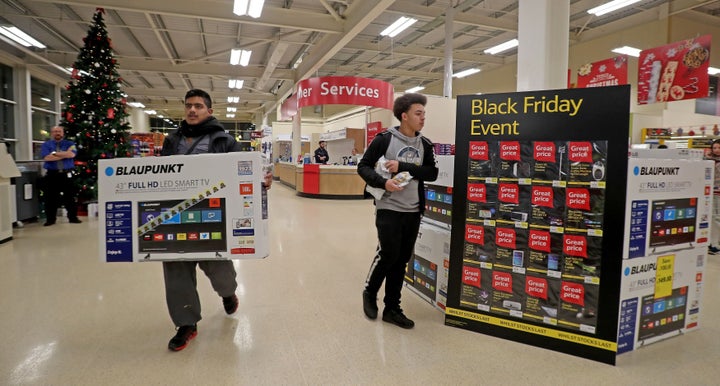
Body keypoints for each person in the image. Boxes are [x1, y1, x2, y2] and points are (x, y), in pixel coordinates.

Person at [160, 89, 271, 352]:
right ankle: (186, 324)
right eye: (188, 105)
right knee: (176, 273)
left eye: (198, 106)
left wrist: (259, 181)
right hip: (175, 217)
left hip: (213, 217)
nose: (192, 110)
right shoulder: (171, 141)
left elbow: (243, 173)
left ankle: (228, 292)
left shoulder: (224, 140)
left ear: (209, 111)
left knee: (221, 272)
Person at [357, 93, 438, 329]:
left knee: (402, 260)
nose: (423, 118)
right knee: (388, 255)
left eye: (424, 113)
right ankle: (370, 292)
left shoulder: (425, 144)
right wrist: (384, 183)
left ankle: (392, 308)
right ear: (404, 116)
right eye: (418, 113)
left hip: (413, 210)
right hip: (388, 207)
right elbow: (362, 167)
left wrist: (403, 166)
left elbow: (431, 173)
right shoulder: (384, 139)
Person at [40, 125, 81, 226]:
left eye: (59, 131)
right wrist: (64, 154)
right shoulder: (46, 144)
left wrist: (54, 154)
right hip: (52, 174)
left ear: (63, 133)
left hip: (67, 174)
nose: (57, 133)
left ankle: (73, 217)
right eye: (55, 131)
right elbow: (47, 158)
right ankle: (50, 219)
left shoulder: (70, 143)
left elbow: (71, 155)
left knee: (70, 197)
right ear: (51, 133)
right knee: (50, 198)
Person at [706, 139, 720, 254]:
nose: (716, 150)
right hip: (711, 193)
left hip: (717, 193)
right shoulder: (708, 160)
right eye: (714, 148)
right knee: (714, 218)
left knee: (716, 218)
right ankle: (713, 244)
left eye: (719, 148)